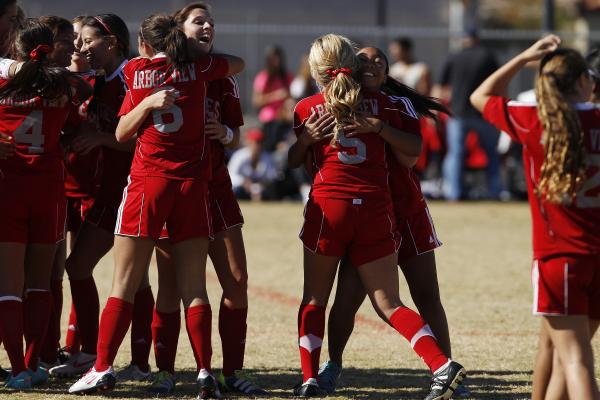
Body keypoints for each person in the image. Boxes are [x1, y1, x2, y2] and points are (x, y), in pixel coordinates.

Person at [67, 13, 244, 398]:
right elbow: (239, 63)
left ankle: (102, 368)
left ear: (145, 46)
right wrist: (194, 57)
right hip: (192, 185)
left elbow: (120, 131)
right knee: (194, 287)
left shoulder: (139, 71)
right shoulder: (200, 67)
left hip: (149, 183)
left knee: (124, 283)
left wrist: (147, 103)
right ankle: (202, 372)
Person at [288, 33, 465, 399]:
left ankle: (443, 367)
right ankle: (336, 366)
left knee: (422, 295)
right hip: (375, 208)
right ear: (350, 67)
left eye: (378, 61)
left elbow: (411, 154)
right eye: (363, 60)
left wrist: (378, 128)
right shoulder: (378, 102)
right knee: (363, 301)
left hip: (395, 209)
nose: (371, 65)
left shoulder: (382, 104)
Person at [143, 2, 267, 396]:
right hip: (173, 188)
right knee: (171, 285)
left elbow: (237, 131)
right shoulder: (157, 72)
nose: (209, 25)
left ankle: (231, 372)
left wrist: (225, 134)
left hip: (215, 188)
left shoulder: (221, 76)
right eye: (199, 20)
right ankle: (165, 371)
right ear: (179, 29)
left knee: (237, 280)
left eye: (211, 20)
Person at [470, 35, 600, 400]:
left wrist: (524, 57)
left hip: (559, 258)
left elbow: (479, 96)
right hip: (597, 255)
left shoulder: (533, 120)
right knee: (565, 356)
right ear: (579, 82)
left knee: (575, 359)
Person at [48, 14, 154, 380]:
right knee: (136, 279)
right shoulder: (100, 82)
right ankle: (136, 362)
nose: (79, 47)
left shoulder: (130, 79)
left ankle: (97, 354)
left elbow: (149, 142)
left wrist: (102, 139)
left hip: (128, 191)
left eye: (87, 40)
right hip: (107, 190)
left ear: (113, 43)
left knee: (79, 267)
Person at [0, 18, 91, 389]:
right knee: (39, 284)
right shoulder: (64, 86)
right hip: (49, 190)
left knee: (8, 286)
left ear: (15, 47)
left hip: (8, 188)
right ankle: (35, 361)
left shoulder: (4, 80)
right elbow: (82, 94)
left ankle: (19, 368)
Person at [32, 14, 79, 369]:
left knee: (50, 273)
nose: (75, 47)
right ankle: (38, 354)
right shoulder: (61, 84)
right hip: (39, 188)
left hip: (49, 188)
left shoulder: (16, 80)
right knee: (41, 276)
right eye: (68, 41)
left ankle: (43, 353)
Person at [437, 28, 501, 201]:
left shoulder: (454, 56)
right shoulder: (487, 56)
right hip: (483, 112)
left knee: (455, 154)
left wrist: (435, 110)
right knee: (491, 154)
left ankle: (454, 194)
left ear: (463, 40)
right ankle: (495, 192)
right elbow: (499, 84)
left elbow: (441, 87)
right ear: (477, 39)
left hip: (458, 113)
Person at [252, 44, 294, 152]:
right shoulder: (263, 77)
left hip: (284, 120)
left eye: (279, 58)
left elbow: (292, 96)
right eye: (274, 58)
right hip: (269, 121)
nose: (277, 61)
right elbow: (256, 101)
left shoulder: (287, 77)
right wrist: (275, 96)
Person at [228, 128, 279, 201]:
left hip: (260, 189)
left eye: (259, 142)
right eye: (254, 142)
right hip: (242, 189)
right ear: (248, 142)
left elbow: (273, 176)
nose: (257, 145)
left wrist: (262, 185)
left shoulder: (267, 157)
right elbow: (230, 175)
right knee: (235, 191)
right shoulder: (239, 156)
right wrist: (243, 182)